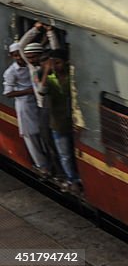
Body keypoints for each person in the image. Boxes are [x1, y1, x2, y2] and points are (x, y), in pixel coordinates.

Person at [3, 30, 52, 175]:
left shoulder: (31, 65)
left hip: (37, 102)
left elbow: (39, 46)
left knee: (42, 133)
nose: (19, 57)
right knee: (31, 136)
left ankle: (47, 162)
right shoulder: (11, 72)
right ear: (12, 56)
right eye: (15, 55)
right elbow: (8, 93)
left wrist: (44, 36)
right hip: (25, 105)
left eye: (20, 53)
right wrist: (30, 91)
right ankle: (42, 165)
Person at [37, 44, 81, 192]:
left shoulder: (71, 77)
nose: (55, 66)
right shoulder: (49, 79)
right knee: (65, 155)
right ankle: (72, 179)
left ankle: (77, 177)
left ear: (66, 62)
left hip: (74, 122)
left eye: (58, 63)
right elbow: (41, 91)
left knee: (76, 153)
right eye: (52, 63)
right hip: (57, 123)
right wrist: (46, 72)